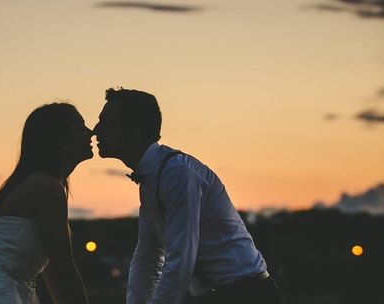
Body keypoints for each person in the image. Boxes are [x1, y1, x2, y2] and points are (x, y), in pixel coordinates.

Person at [92, 88, 285, 304]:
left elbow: (181, 259)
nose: (95, 130)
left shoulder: (177, 173)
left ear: (133, 132)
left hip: (249, 295)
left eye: (105, 122)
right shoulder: (153, 177)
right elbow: (148, 255)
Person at [0, 103, 93, 304]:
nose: (90, 132)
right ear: (62, 141)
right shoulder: (46, 187)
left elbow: (54, 274)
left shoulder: (40, 184)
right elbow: (63, 268)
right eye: (80, 127)